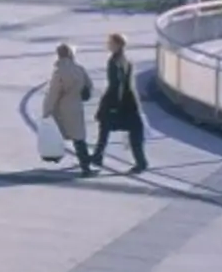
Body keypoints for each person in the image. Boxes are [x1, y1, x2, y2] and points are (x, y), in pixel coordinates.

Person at [93, 33, 146, 173]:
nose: (108, 44)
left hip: (118, 102)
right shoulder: (126, 60)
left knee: (105, 126)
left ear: (116, 44)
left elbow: (116, 84)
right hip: (130, 102)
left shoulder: (114, 62)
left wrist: (112, 106)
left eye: (110, 42)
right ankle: (141, 161)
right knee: (134, 131)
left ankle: (98, 155)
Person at [40, 43, 94, 175]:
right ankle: (85, 165)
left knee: (57, 134)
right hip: (76, 107)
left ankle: (54, 157)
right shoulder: (79, 69)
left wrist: (47, 111)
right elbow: (89, 86)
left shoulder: (58, 72)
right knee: (79, 138)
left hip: (62, 109)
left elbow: (53, 93)